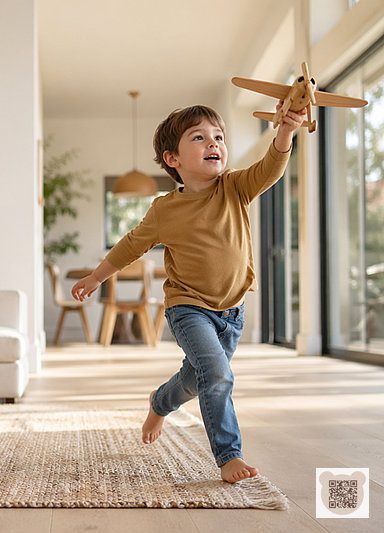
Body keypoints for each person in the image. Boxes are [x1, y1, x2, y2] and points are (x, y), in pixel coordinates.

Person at [71, 103, 305, 483]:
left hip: (232, 311)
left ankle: (160, 402)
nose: (214, 143)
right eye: (200, 137)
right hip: (188, 308)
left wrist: (285, 132)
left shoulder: (235, 188)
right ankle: (229, 455)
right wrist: (97, 278)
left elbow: (270, 168)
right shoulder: (165, 210)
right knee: (217, 373)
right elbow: (131, 246)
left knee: (198, 378)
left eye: (218, 137)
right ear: (173, 158)